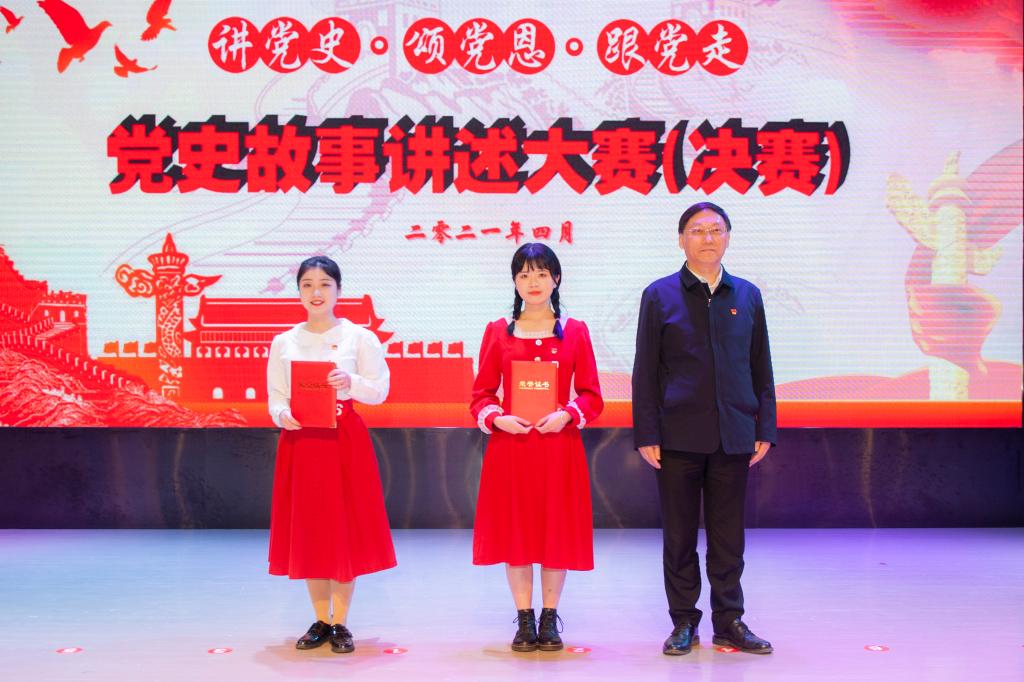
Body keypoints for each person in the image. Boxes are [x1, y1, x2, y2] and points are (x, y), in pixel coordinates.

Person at [632, 202, 777, 656]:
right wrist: (646, 432)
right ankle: (683, 622)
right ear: (682, 240)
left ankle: (730, 620)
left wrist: (765, 426)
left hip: (733, 434)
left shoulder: (747, 295)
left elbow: (761, 366)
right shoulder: (659, 295)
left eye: (716, 230)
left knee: (728, 537)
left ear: (728, 237)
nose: (708, 238)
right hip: (677, 436)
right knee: (678, 537)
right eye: (697, 230)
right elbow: (645, 370)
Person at [471, 243, 603, 653]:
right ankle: (524, 618)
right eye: (524, 274)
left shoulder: (575, 331)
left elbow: (592, 396)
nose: (533, 282)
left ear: (556, 279)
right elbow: (481, 394)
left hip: (557, 448)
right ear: (514, 281)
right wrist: (498, 418)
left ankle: (550, 617)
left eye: (542, 273)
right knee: (517, 533)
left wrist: (567, 414)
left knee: (555, 532)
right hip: (512, 449)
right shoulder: (498, 331)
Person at [266, 256, 396, 654]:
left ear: (339, 290)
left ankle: (341, 622)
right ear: (299, 292)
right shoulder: (284, 341)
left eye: (325, 284)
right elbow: (276, 397)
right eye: (307, 284)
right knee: (311, 529)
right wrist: (283, 415)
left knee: (342, 530)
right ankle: (320, 619)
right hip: (302, 443)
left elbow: (379, 390)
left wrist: (349, 381)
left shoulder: (359, 337)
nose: (316, 292)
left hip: (344, 442)